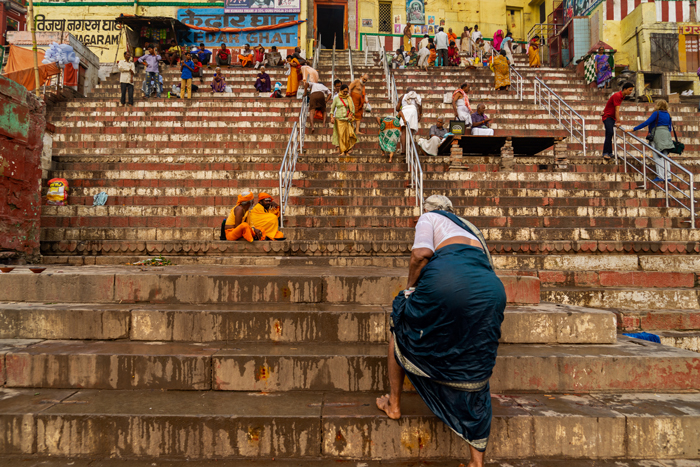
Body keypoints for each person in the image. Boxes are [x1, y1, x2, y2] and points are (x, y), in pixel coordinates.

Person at [376, 194, 505, 467]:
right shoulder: (471, 228)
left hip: (446, 281)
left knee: (400, 321)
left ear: (431, 210)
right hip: (490, 291)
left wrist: (410, 287)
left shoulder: (430, 218)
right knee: (475, 359)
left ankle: (394, 405)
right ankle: (476, 461)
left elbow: (421, 254)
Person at [629, 99, 674, 182]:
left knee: (657, 156)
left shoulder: (656, 113)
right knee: (665, 156)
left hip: (657, 135)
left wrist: (633, 129)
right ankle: (668, 176)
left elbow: (646, 123)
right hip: (666, 135)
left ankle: (660, 176)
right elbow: (669, 128)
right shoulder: (668, 115)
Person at [601, 82, 635, 160]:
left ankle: (609, 153)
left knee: (610, 134)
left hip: (612, 118)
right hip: (607, 117)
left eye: (631, 90)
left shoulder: (622, 96)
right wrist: (618, 121)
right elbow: (617, 110)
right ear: (625, 89)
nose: (631, 92)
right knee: (609, 133)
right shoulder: (618, 95)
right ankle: (605, 153)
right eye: (629, 90)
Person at [330, 84, 357, 156]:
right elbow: (332, 109)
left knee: (347, 136)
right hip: (339, 119)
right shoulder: (336, 98)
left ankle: (347, 151)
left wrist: (350, 116)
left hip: (347, 119)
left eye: (347, 92)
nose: (345, 93)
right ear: (340, 91)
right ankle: (342, 151)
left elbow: (353, 109)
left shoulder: (349, 98)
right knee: (341, 135)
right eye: (344, 91)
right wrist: (332, 117)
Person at [396, 87, 422, 155]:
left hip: (404, 112)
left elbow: (397, 108)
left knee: (403, 132)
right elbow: (420, 106)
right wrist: (420, 114)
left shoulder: (402, 97)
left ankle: (403, 150)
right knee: (411, 132)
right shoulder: (416, 96)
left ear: (406, 92)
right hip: (413, 111)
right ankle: (408, 150)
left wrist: (401, 110)